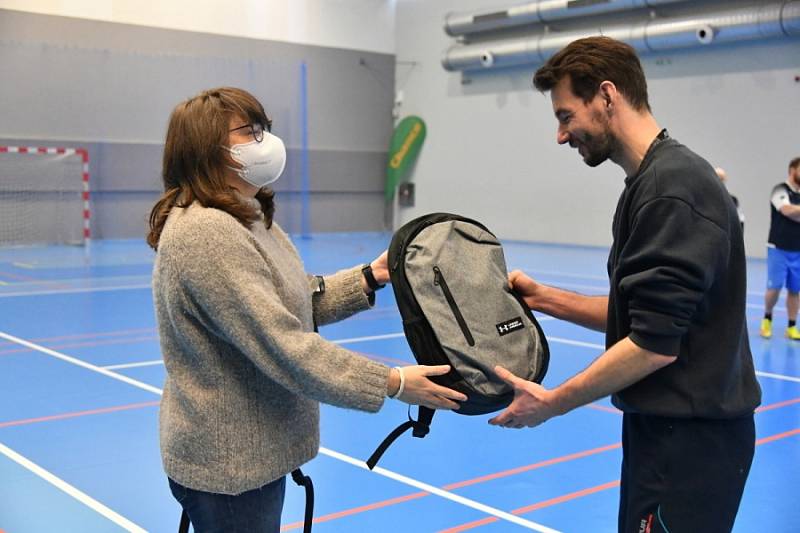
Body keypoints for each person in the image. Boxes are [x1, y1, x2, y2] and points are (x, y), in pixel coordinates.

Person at [146, 87, 467, 532]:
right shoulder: (206, 232)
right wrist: (393, 383)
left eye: (265, 129)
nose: (266, 141)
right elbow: (283, 345)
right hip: (231, 469)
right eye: (250, 132)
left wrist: (369, 277)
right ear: (208, 148)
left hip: (252, 456)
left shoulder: (245, 216)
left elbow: (295, 300)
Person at [488, 37, 761, 532]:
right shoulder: (651, 181)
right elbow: (642, 315)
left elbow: (653, 345)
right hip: (665, 434)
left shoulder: (672, 187)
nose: (561, 134)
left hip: (691, 446)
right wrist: (544, 299)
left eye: (566, 115)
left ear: (607, 96)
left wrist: (553, 403)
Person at [760, 157, 800, 340]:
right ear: (793, 170)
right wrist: (793, 211)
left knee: (795, 290)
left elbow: (794, 212)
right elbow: (786, 210)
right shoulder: (780, 189)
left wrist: (795, 211)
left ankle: (791, 326)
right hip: (778, 248)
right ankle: (767, 318)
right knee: (774, 288)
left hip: (797, 250)